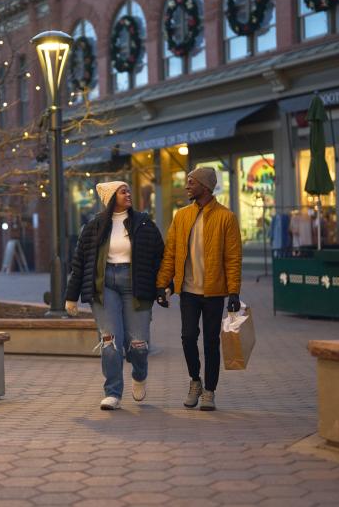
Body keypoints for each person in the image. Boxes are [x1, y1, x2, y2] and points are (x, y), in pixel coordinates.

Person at [66, 181, 165, 410]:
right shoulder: (94, 226)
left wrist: (164, 287)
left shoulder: (143, 222)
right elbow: (79, 263)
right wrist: (71, 296)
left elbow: (160, 256)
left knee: (138, 344)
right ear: (111, 197)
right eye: (123, 191)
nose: (128, 194)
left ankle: (139, 375)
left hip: (135, 284)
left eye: (129, 190)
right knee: (110, 341)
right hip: (104, 286)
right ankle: (112, 392)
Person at [156, 167, 242, 412]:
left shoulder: (226, 217)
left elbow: (233, 258)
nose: (187, 187)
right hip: (188, 291)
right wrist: (162, 285)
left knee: (211, 342)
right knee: (187, 337)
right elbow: (170, 253)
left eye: (191, 183)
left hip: (214, 292)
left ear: (205, 186)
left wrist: (234, 292)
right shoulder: (181, 216)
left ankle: (210, 391)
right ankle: (195, 380)